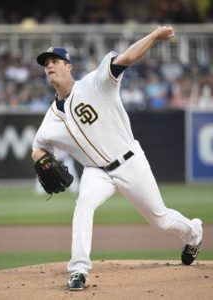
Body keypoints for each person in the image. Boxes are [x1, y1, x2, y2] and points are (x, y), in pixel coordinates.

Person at [31, 25, 203, 291]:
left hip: (130, 162)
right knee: (84, 204)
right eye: (46, 64)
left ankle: (193, 233)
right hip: (95, 172)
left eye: (55, 61)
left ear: (68, 67)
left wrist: (156, 35)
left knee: (160, 219)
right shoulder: (51, 118)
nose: (49, 66)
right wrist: (41, 159)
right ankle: (79, 270)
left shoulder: (95, 83)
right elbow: (37, 146)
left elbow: (128, 58)